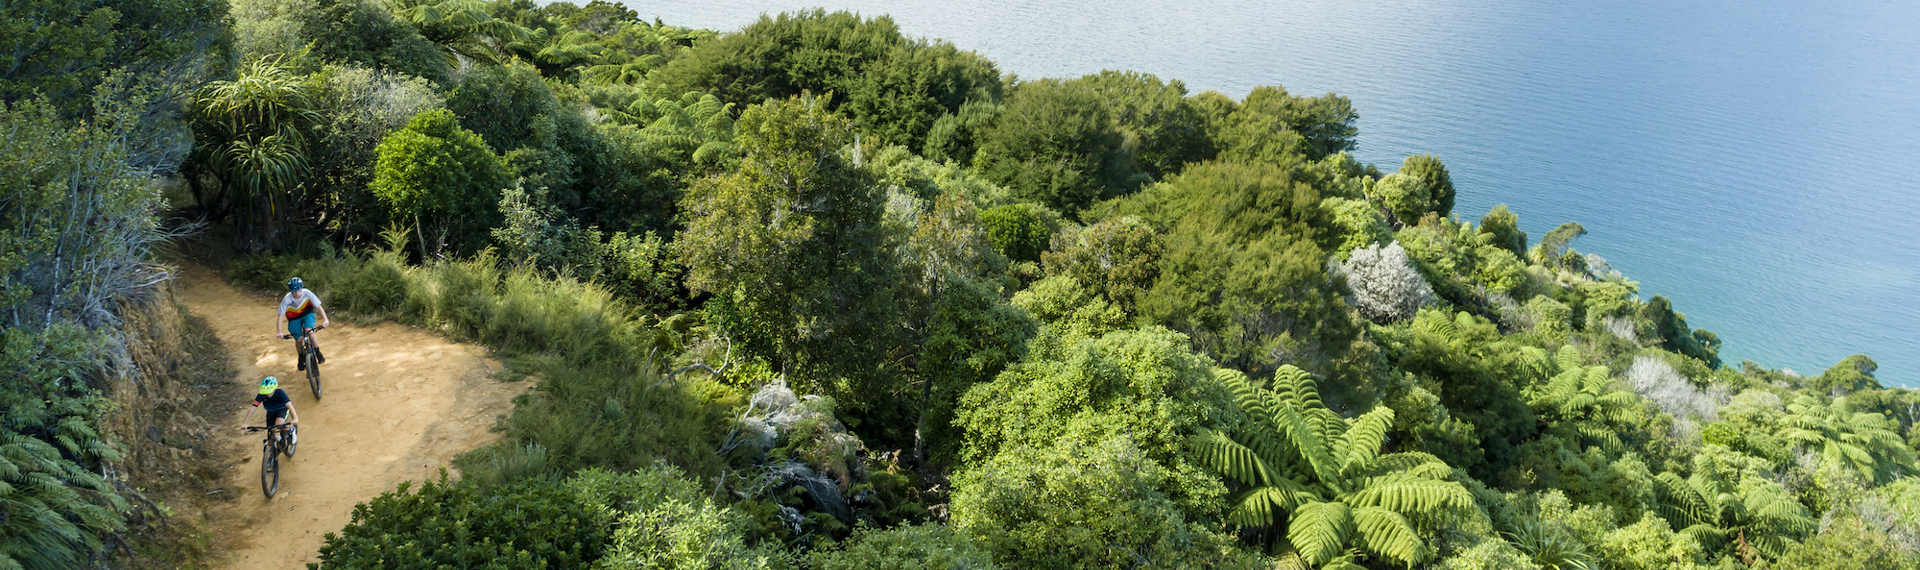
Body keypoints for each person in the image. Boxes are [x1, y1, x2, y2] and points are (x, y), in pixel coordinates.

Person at [276, 277, 331, 370]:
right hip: (293, 319)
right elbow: (280, 316)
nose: (297, 293)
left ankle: (318, 352)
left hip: (307, 314)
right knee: (299, 339)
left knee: (309, 331)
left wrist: (325, 319)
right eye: (294, 291)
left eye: (298, 290)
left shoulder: (307, 293)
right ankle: (301, 357)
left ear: (301, 289)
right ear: (291, 291)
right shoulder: (287, 299)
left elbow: (318, 307)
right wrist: (279, 331)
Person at [241, 376, 299, 445]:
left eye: (269, 392)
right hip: (270, 412)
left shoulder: (280, 392)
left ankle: (291, 430)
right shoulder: (262, 394)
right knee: (270, 436)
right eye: (265, 393)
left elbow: (289, 405)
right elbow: (253, 408)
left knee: (278, 424)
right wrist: (245, 422)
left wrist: (295, 418)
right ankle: (277, 444)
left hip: (282, 410)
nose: (267, 394)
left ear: (274, 389)